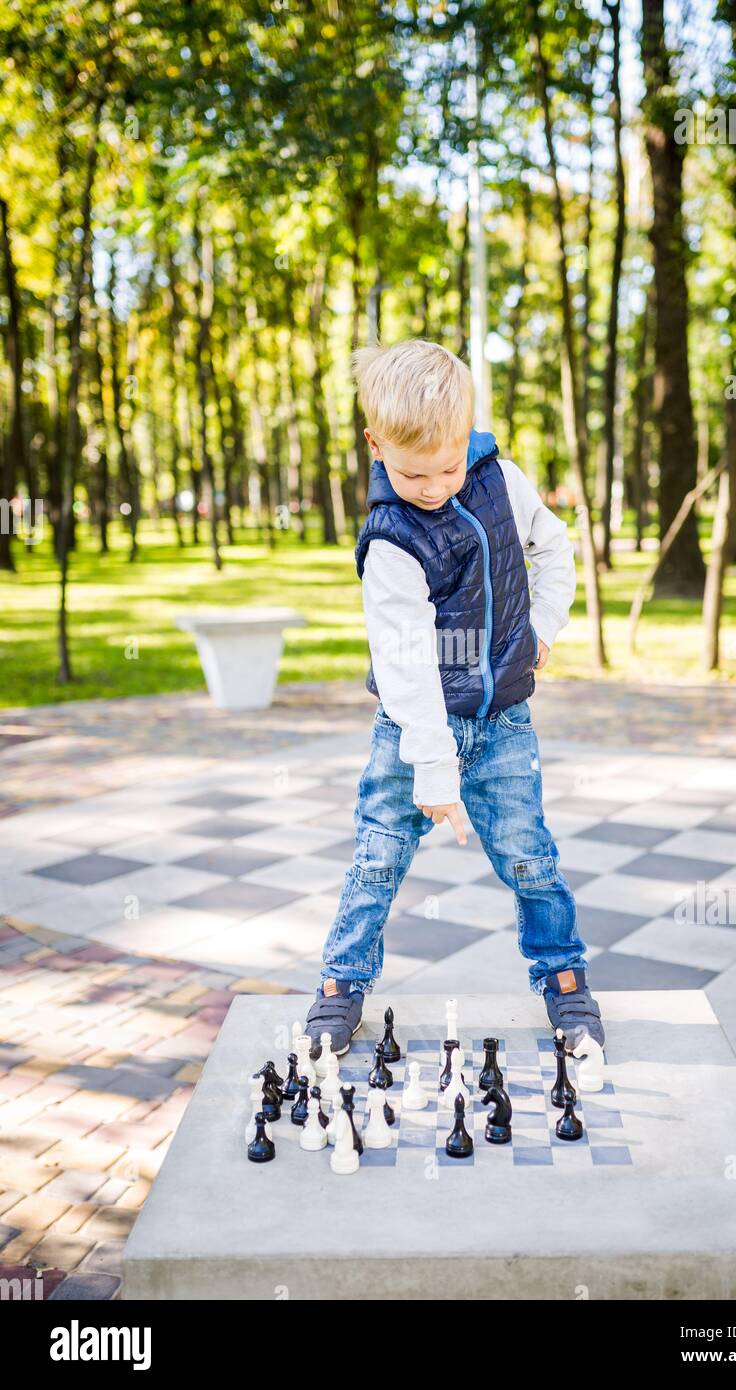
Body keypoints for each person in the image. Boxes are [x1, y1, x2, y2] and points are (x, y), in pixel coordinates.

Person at [305, 339, 604, 1060]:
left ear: (468, 434)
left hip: (503, 722)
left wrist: (541, 627)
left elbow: (553, 547)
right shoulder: (391, 542)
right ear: (376, 445)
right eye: (414, 472)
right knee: (377, 856)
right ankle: (342, 983)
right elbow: (406, 667)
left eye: (448, 465)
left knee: (531, 856)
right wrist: (435, 770)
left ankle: (564, 977)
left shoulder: (499, 478)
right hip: (412, 728)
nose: (436, 485)